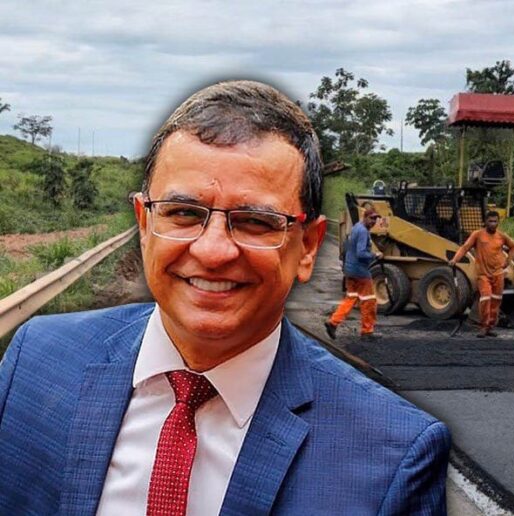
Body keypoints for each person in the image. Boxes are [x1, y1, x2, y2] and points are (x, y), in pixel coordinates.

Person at [0, 80, 450, 515]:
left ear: (308, 248)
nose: (213, 251)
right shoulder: (35, 364)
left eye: (255, 221)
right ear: (144, 223)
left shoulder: (392, 457)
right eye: (183, 213)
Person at [450, 210, 514, 338]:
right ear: (485, 222)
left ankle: (490, 327)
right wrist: (455, 259)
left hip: (498, 274)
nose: (493, 224)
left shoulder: (501, 236)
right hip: (483, 275)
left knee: (496, 301)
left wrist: (508, 261)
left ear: (498, 222)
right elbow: (465, 247)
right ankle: (483, 326)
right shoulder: (477, 235)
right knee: (485, 299)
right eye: (490, 221)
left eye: (495, 221)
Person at [325, 205, 383, 340]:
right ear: (365, 217)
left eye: (375, 219)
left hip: (350, 270)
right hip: (360, 272)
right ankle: (367, 332)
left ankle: (333, 322)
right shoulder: (363, 231)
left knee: (351, 298)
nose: (374, 222)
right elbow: (361, 253)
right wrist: (375, 255)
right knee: (369, 301)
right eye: (372, 218)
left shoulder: (356, 227)